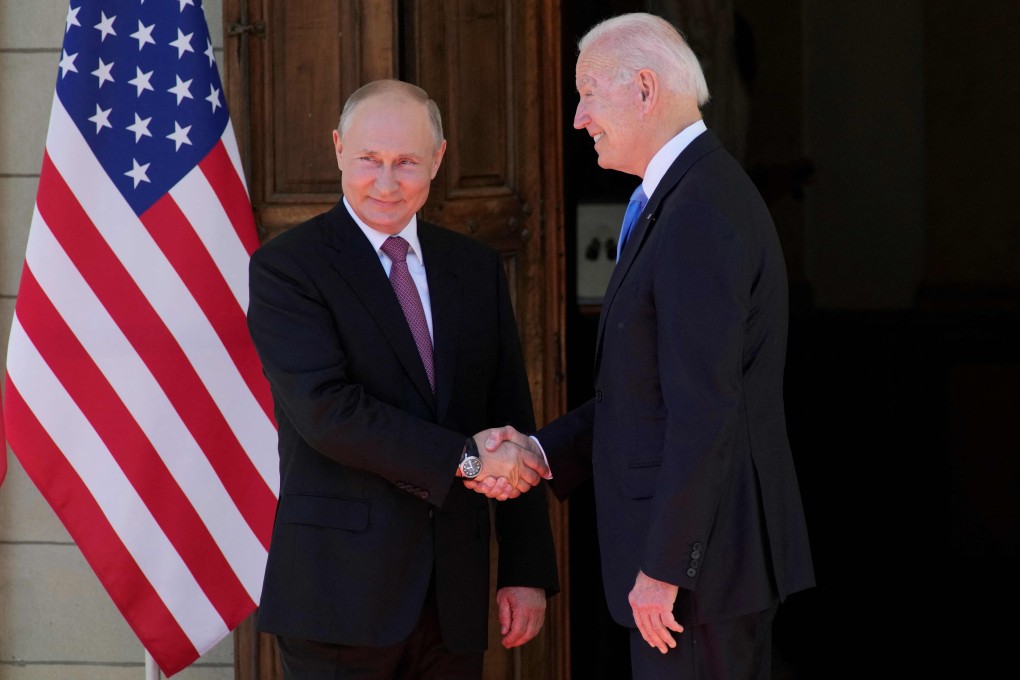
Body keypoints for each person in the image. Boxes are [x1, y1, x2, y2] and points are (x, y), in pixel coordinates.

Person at [472, 13, 814, 680]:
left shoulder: (698, 213)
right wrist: (540, 452)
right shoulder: (683, 196)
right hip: (703, 576)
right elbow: (647, 394)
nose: (578, 117)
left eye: (589, 92)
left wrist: (664, 567)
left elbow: (704, 408)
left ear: (646, 89)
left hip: (702, 581)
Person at [247, 79, 558, 680]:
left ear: (438, 161)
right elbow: (329, 413)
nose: (386, 183)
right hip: (337, 599)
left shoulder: (474, 267)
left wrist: (526, 569)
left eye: (407, 163)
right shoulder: (289, 268)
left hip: (454, 598)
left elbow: (510, 413)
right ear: (338, 148)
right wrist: (465, 460)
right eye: (369, 160)